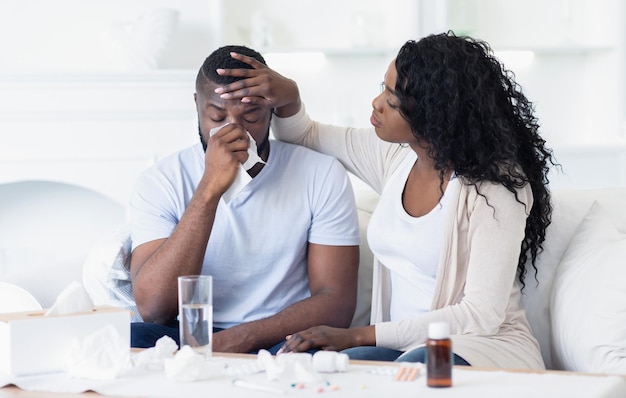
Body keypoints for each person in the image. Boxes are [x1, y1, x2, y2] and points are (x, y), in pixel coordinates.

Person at [214, 31, 556, 369]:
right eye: (383, 89)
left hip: (483, 347)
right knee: (341, 370)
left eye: (392, 101)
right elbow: (305, 135)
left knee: (410, 365)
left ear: (434, 115)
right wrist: (289, 97)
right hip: (405, 349)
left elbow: (481, 315)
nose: (377, 104)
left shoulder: (494, 189)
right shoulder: (396, 157)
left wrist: (358, 335)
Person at [128, 45, 360, 354]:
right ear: (197, 106)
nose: (234, 132)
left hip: (281, 334)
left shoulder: (320, 173)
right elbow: (154, 309)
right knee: (130, 340)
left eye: (250, 116)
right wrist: (209, 189)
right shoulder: (160, 180)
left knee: (316, 356)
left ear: (271, 110)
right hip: (191, 332)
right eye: (217, 116)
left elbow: (337, 303)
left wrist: (242, 338)